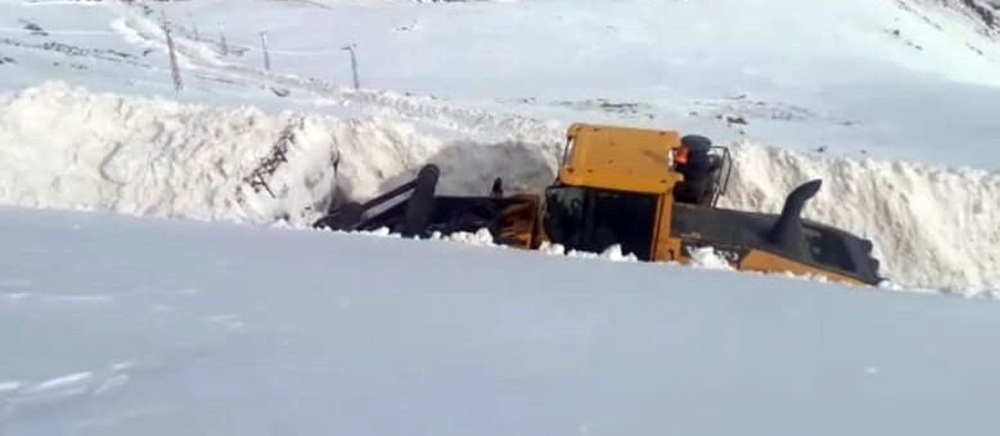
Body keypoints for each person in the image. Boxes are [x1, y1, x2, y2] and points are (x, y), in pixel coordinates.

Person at [673, 134, 721, 205]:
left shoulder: (695, 164)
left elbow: (681, 168)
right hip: (698, 191)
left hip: (691, 196)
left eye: (683, 148)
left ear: (693, 151)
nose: (680, 150)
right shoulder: (702, 159)